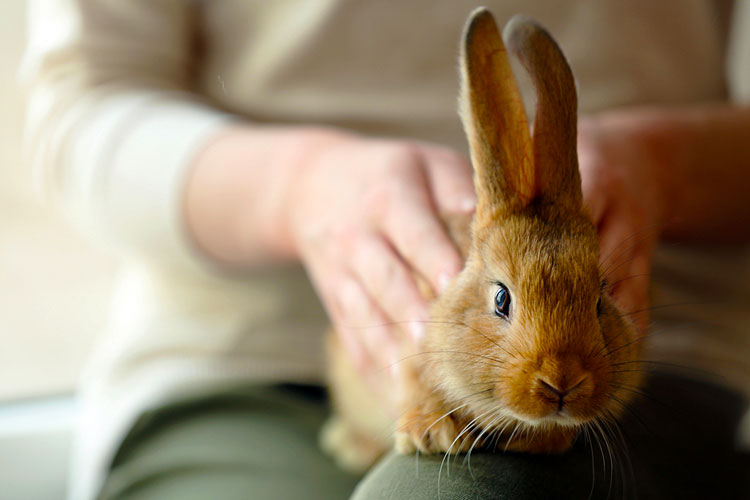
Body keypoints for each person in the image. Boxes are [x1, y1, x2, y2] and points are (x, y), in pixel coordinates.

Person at [23, 1, 750, 499]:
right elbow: (78, 110)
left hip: (662, 364)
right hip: (240, 359)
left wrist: (659, 169)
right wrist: (299, 189)